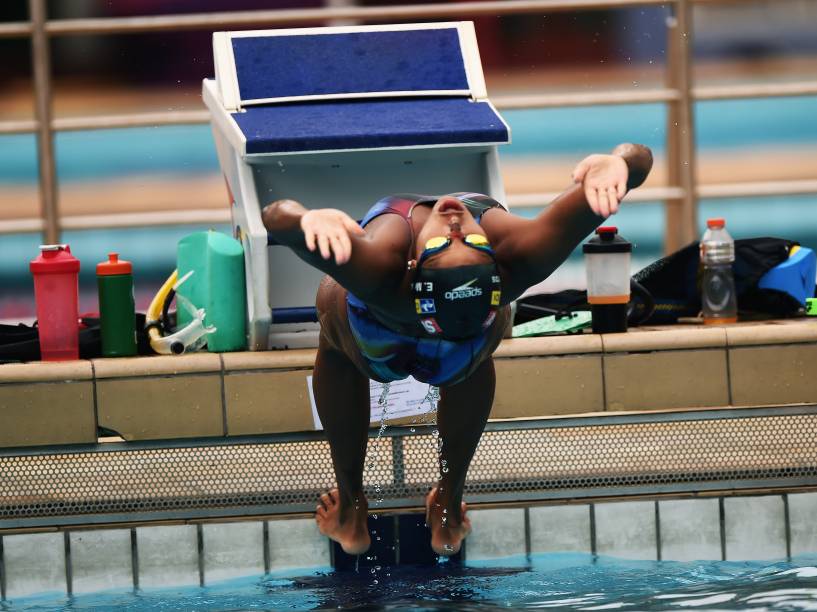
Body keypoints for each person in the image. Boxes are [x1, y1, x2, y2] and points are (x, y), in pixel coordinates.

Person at [262, 143, 653, 556]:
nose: (455, 220)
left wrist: (305, 219)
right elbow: (639, 162)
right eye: (463, 240)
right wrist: (623, 162)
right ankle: (445, 508)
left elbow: (276, 217)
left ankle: (351, 508)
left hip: (379, 335)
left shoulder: (381, 268)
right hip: (456, 348)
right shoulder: (520, 257)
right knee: (473, 356)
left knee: (334, 315)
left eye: (458, 242)